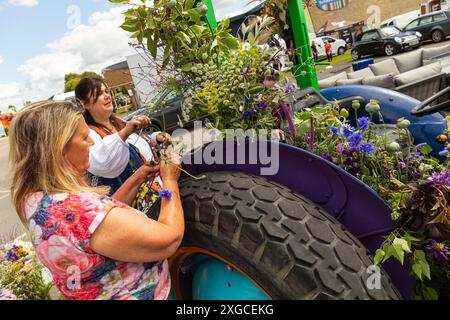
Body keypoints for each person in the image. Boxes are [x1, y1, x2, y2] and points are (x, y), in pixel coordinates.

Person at [9, 101, 184, 300]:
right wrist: (170, 182)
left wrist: (136, 179)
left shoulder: (36, 198)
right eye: (84, 138)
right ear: (59, 148)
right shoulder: (77, 210)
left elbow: (98, 222)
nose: (92, 143)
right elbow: (169, 240)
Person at [75, 77, 172, 213]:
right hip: (128, 205)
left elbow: (135, 143)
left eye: (107, 91)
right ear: (85, 104)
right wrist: (125, 132)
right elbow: (102, 162)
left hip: (152, 191)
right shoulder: (89, 133)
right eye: (99, 94)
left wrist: (156, 138)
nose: (107, 96)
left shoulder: (117, 122)